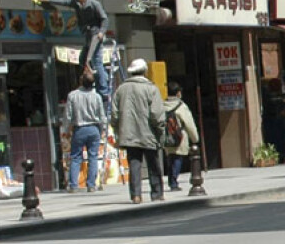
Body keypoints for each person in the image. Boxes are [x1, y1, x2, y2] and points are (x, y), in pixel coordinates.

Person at [40, 0, 111, 103]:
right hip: (87, 34)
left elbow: (105, 19)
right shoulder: (75, 1)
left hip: (96, 35)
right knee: (82, 59)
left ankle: (104, 92)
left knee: (96, 61)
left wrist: (101, 32)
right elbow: (62, 1)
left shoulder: (94, 4)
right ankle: (90, 81)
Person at [111, 59, 165, 204]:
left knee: (134, 164)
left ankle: (136, 195)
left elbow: (114, 114)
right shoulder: (151, 89)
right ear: (145, 72)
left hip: (128, 134)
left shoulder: (120, 89)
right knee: (153, 164)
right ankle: (157, 193)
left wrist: (118, 129)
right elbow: (156, 114)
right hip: (148, 134)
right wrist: (160, 131)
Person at [65, 71, 106, 193]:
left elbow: (68, 115)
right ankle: (91, 185)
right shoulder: (97, 96)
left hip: (80, 128)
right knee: (93, 156)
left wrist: (66, 129)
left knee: (76, 156)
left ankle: (73, 185)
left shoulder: (72, 95)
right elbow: (101, 115)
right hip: (94, 129)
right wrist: (103, 128)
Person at [163, 81, 199, 192]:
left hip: (167, 136)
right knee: (177, 158)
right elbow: (189, 123)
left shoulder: (162, 105)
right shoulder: (181, 106)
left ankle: (171, 180)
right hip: (180, 136)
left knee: (170, 158)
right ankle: (173, 182)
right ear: (178, 93)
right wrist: (195, 138)